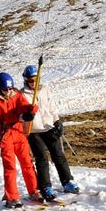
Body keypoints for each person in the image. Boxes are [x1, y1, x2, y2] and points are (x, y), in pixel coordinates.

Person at [20, 64, 80, 199]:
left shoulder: (45, 89)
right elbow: (20, 113)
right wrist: (25, 116)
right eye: (30, 81)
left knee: (58, 154)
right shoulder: (22, 94)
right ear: (25, 80)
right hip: (33, 130)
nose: (33, 83)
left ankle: (67, 181)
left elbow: (51, 106)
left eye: (36, 80)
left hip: (48, 126)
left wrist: (57, 121)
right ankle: (46, 187)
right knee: (42, 158)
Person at [0, 72, 42, 209]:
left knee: (27, 163)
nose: (8, 92)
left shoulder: (16, 95)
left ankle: (34, 191)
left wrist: (31, 110)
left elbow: (24, 106)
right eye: (5, 89)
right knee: (10, 168)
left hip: (19, 134)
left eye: (10, 88)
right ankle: (12, 197)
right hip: (5, 138)